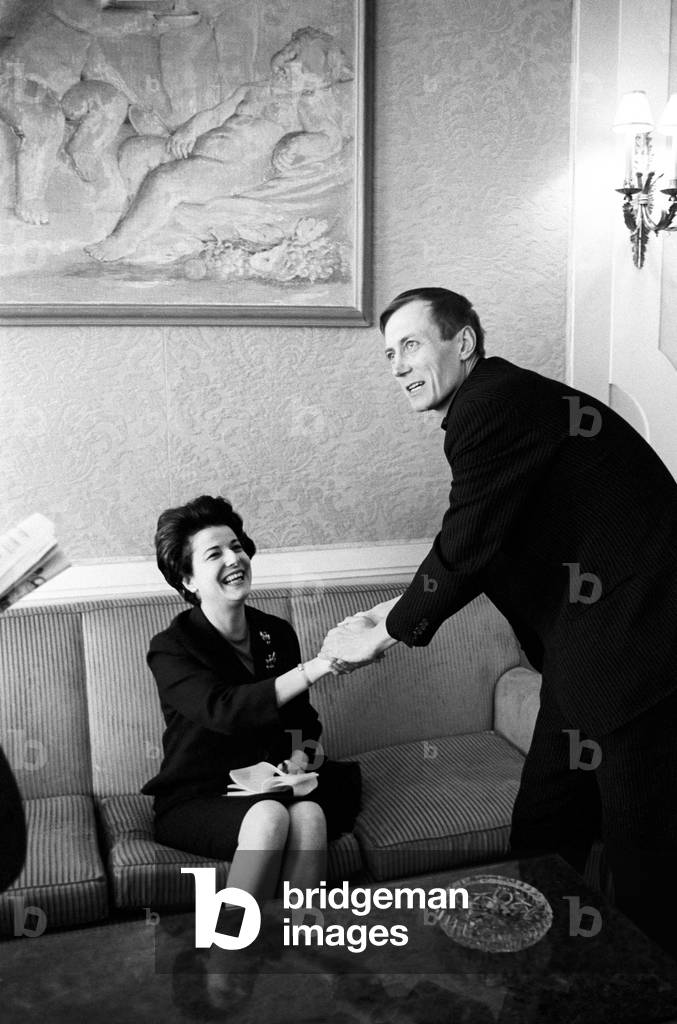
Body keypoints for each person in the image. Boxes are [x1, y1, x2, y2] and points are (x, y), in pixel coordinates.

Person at [321, 286, 677, 958]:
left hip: (640, 651)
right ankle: (540, 973)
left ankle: (641, 993)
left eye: (411, 344)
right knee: (545, 821)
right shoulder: (496, 406)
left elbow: (467, 538)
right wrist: (388, 610)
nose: (397, 364)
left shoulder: (491, 404)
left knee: (643, 857)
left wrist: (390, 631)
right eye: (389, 352)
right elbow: (481, 543)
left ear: (464, 343)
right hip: (587, 653)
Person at [143, 494, 357, 907]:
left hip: (272, 782)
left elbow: (301, 720)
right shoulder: (170, 648)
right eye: (214, 554)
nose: (233, 559)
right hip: (200, 795)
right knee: (270, 816)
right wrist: (318, 666)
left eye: (237, 547)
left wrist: (300, 756)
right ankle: (230, 952)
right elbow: (223, 709)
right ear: (188, 580)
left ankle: (301, 941)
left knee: (311, 814)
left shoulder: (276, 632)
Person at [85, 27, 352, 262]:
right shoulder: (251, 90)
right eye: (290, 54)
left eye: (303, 70)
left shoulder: (303, 104)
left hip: (230, 171)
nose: (289, 66)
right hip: (198, 153)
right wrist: (190, 130)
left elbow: (330, 139)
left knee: (165, 180)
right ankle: (144, 215)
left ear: (316, 85)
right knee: (135, 150)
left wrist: (296, 145)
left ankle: (124, 239)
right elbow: (215, 115)